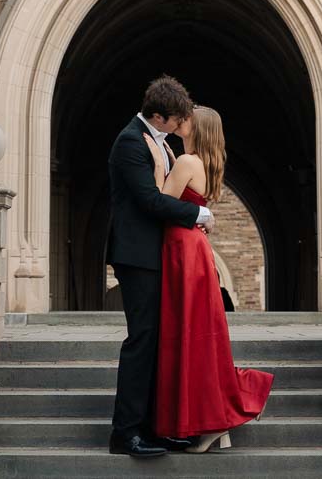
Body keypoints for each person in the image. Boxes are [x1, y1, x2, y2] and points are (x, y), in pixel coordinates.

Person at [148, 105, 273, 452]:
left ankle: (211, 420)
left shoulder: (187, 163)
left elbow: (159, 203)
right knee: (197, 334)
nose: (180, 119)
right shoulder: (199, 163)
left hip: (182, 249)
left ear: (196, 128)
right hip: (193, 248)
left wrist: (159, 167)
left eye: (186, 117)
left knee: (186, 332)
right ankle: (214, 421)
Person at [105, 76, 214, 459]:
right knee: (142, 341)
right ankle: (126, 433)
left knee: (158, 342)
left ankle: (155, 427)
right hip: (137, 257)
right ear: (157, 115)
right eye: (176, 118)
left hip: (157, 255)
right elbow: (150, 201)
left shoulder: (161, 143)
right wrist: (197, 212)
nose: (181, 124)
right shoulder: (131, 142)